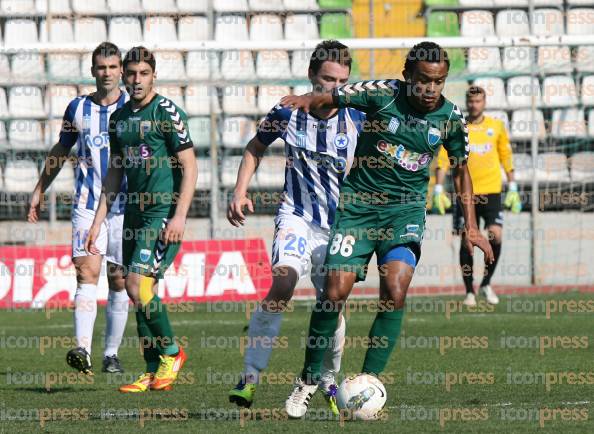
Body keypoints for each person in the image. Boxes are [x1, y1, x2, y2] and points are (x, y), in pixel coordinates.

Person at [279, 41, 494, 417]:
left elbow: (461, 171)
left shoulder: (449, 117)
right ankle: (309, 379)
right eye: (424, 81)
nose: (431, 90)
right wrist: (306, 100)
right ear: (408, 76)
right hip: (358, 208)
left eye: (439, 82)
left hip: (404, 213)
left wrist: (472, 227)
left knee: (395, 288)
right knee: (334, 290)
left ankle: (371, 380)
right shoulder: (381, 95)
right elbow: (332, 96)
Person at [227, 40, 365, 415]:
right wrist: (240, 191)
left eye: (343, 81)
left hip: (339, 225)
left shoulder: (357, 117)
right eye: (327, 79)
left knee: (332, 305)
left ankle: (329, 380)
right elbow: (255, 147)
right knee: (283, 282)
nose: (335, 88)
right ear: (310, 76)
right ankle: (250, 376)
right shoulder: (288, 113)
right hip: (296, 215)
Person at [85, 46, 197, 392]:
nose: (136, 80)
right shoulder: (118, 120)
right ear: (123, 75)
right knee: (139, 293)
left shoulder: (167, 112)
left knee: (137, 285)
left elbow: (191, 167)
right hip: (132, 214)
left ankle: (172, 352)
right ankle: (151, 370)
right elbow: (114, 175)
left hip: (161, 214)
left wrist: (179, 217)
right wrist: (97, 222)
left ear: (153, 76)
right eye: (131, 73)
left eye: (143, 73)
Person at [28, 42, 129, 374]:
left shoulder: (135, 107)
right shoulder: (77, 109)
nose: (107, 73)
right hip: (87, 204)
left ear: (121, 71)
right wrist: (41, 187)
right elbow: (61, 149)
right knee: (86, 272)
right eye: (102, 67)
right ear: (92, 71)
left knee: (119, 280)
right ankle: (83, 349)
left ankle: (111, 354)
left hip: (126, 206)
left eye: (113, 67)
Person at [434, 85, 520, 306]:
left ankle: (486, 283)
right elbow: (444, 158)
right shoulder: (457, 127)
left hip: (491, 191)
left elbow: (506, 155)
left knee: (495, 235)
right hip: (466, 193)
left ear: (484, 103)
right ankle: (469, 290)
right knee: (467, 240)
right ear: (467, 102)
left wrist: (512, 186)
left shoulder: (496, 127)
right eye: (471, 101)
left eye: (478, 101)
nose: (474, 105)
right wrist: (438, 187)